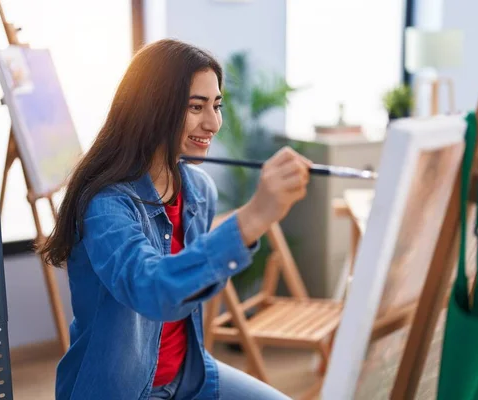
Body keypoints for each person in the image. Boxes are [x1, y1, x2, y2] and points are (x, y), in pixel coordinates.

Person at [40, 38, 312, 400]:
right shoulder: (106, 204)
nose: (213, 123)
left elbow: (190, 292)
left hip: (191, 376)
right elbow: (154, 291)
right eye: (196, 107)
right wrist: (254, 217)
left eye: (217, 105)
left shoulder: (199, 189)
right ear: (152, 109)